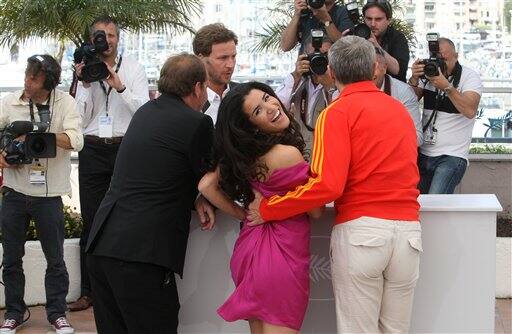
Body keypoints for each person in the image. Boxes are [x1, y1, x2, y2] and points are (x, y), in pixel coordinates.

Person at [248, 36, 422, 333]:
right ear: (374, 67)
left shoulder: (336, 113)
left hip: (362, 234)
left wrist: (270, 208)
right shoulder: (399, 111)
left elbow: (327, 186)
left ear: (331, 70)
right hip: (408, 234)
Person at [85, 53, 215, 334]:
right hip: (140, 256)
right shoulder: (197, 123)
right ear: (196, 88)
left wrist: (196, 196)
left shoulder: (145, 112)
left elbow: (160, 171)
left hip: (102, 247)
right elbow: (211, 178)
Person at [198, 81, 322, 334]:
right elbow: (316, 211)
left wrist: (242, 214)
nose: (271, 107)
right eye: (257, 111)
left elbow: (206, 184)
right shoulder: (286, 154)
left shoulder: (243, 157)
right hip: (282, 256)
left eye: (267, 98)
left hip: (250, 250)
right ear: (250, 128)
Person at [70, 15, 149, 312]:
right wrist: (85, 83)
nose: (106, 40)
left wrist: (119, 85)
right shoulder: (84, 71)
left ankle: (122, 288)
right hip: (92, 150)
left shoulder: (134, 68)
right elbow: (79, 119)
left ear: (118, 39)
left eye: (111, 35)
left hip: (125, 149)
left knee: (125, 220)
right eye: (100, 36)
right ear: (92, 41)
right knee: (91, 220)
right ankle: (89, 291)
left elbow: (143, 112)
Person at [0, 54, 83, 334]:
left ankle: (57, 313)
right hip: (14, 190)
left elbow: (76, 141)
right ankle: (14, 311)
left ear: (47, 82)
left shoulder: (65, 103)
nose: (27, 81)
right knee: (11, 257)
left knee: (55, 259)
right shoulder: (10, 101)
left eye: (34, 78)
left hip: (49, 195)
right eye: (26, 75)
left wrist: (38, 135)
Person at [409, 37, 483, 194]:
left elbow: (469, 110)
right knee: (415, 202)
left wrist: (447, 87)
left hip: (452, 156)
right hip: (423, 153)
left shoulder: (469, 77)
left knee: (436, 203)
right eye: (436, 59)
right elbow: (410, 101)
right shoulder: (429, 72)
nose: (439, 63)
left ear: (456, 56)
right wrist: (414, 78)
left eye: (444, 59)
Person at [276, 35, 336, 152]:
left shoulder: (339, 84)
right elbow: (278, 104)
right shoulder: (297, 82)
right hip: (300, 152)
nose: (319, 60)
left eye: (325, 56)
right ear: (304, 57)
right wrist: (296, 75)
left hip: (326, 153)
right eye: (314, 55)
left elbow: (341, 116)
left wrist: (330, 86)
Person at [373, 47, 423, 145]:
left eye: (376, 66)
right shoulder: (346, 92)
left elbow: (417, 138)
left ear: (385, 68)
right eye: (367, 66)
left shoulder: (403, 91)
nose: (372, 72)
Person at [192, 23, 238, 125]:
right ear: (200, 58)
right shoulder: (189, 103)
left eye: (233, 56)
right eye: (223, 58)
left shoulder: (243, 95)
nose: (230, 65)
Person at [281, 0, 353, 53]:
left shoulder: (344, 12)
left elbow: (346, 46)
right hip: (306, 68)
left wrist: (326, 20)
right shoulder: (305, 13)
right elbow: (285, 46)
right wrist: (296, 14)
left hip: (332, 69)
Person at [363, 0, 409, 82]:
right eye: (369, 19)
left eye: (378, 19)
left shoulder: (397, 37)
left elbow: (398, 70)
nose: (373, 24)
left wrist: (376, 45)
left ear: (388, 20)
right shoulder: (359, 34)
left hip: (393, 89)